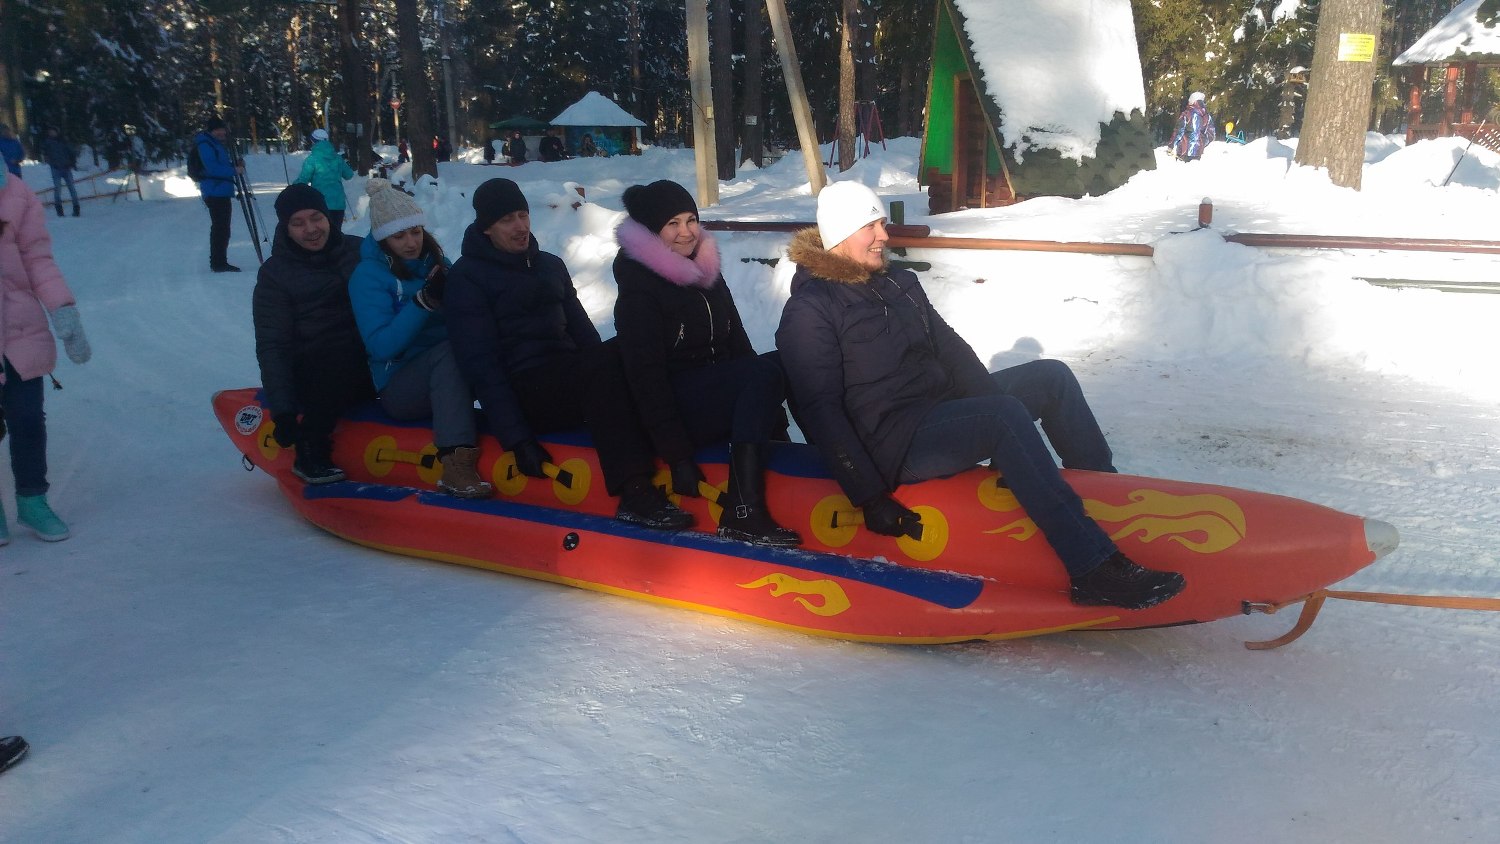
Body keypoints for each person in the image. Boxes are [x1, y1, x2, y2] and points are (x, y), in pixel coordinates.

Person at [775, 182, 1185, 611]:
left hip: (937, 408)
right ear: (841, 233)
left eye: (882, 223)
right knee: (1001, 417)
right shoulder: (812, 308)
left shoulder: (898, 283)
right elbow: (819, 410)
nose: (884, 235)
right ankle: (1093, 569)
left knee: (1051, 379)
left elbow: (952, 351)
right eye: (871, 226)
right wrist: (869, 497)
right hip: (890, 442)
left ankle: (1106, 503)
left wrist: (1008, 429)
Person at [445, 178, 692, 530]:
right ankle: (634, 490)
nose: (520, 227)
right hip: (526, 391)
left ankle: (682, 446)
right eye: (507, 220)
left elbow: (584, 335)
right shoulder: (468, 278)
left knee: (632, 347)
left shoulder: (549, 265)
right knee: (602, 366)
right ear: (486, 228)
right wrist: (517, 440)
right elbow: (482, 366)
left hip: (567, 375)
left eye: (522, 215)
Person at [612, 180, 799, 546]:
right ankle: (741, 511)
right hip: (679, 409)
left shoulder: (707, 273)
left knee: (789, 359)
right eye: (673, 225)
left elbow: (739, 346)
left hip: (712, 394)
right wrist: (677, 457)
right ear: (652, 232)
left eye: (691, 220)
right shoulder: (640, 291)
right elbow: (646, 380)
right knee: (761, 371)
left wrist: (774, 423)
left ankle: (822, 462)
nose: (687, 233)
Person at [348, 179, 491, 499]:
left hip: (446, 378)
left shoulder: (433, 261)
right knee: (450, 352)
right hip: (400, 385)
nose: (411, 242)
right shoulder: (368, 277)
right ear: (384, 239)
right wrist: (422, 304)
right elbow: (381, 346)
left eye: (415, 232)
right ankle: (454, 460)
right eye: (399, 236)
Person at [253, 184, 373, 484]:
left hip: (372, 356)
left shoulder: (360, 251)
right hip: (317, 369)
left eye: (316, 218)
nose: (311, 229)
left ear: (328, 217)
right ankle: (310, 449)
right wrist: (283, 412)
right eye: (298, 223)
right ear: (286, 228)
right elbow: (273, 344)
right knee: (341, 355)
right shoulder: (276, 274)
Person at [0, 162, 93, 542]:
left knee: (26, 419)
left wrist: (62, 309)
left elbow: (37, 260)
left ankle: (32, 500)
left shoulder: (15, 193)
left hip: (19, 327)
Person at [193, 116, 243, 272]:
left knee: (222, 227)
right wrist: (234, 170)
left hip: (220, 189)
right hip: (214, 190)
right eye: (219, 130)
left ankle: (219, 261)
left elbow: (219, 164)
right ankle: (218, 262)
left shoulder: (214, 143)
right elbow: (212, 168)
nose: (222, 133)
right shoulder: (205, 144)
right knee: (220, 228)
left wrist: (233, 166)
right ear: (212, 130)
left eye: (223, 130)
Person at [293, 128, 355, 232]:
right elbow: (349, 175)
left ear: (314, 141)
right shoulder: (338, 158)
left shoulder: (312, 159)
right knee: (336, 233)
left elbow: (303, 180)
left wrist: (293, 187)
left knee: (323, 234)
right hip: (338, 202)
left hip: (320, 203)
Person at [41, 127, 80, 218]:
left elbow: (72, 152)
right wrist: (49, 161)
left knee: (72, 188)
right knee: (57, 189)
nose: (51, 133)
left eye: (53, 132)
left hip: (66, 167)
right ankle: (59, 210)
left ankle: (76, 208)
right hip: (55, 168)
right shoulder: (47, 142)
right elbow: (45, 153)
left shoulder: (64, 140)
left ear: (56, 132)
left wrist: (72, 163)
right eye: (50, 132)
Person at [1170, 91, 1216, 162]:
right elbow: (1211, 135)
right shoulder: (1207, 116)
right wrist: (1202, 143)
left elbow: (1178, 132)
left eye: (1190, 100)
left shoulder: (1186, 114)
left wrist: (1171, 145)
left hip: (1183, 151)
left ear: (1193, 101)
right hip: (1198, 152)